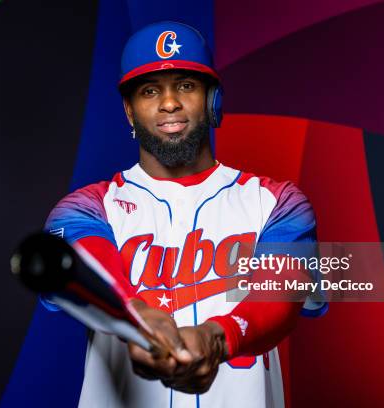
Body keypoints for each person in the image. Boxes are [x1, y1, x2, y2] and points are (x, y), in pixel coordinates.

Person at [42, 21, 326, 408]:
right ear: (129, 110)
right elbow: (86, 270)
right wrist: (138, 318)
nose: (169, 103)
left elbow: (280, 294)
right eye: (149, 90)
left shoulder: (278, 202)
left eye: (186, 86)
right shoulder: (86, 207)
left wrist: (219, 337)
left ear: (213, 100)